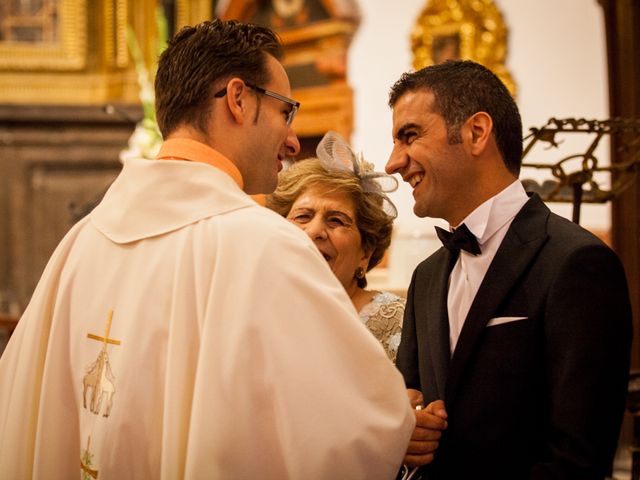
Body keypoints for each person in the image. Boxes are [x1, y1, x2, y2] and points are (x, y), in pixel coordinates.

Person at [0, 19, 415, 479]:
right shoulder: (265, 246)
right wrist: (406, 419)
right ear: (238, 99)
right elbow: (352, 440)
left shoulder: (80, 244)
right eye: (286, 112)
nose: (294, 140)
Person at [385, 59, 632, 479]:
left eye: (409, 136)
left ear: (476, 132)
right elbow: (414, 402)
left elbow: (578, 459)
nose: (393, 162)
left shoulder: (576, 263)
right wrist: (408, 434)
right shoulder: (426, 277)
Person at [267, 131, 404, 362]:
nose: (315, 232)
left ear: (366, 253)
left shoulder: (400, 322)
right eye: (302, 216)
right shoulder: (260, 315)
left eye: (336, 220)